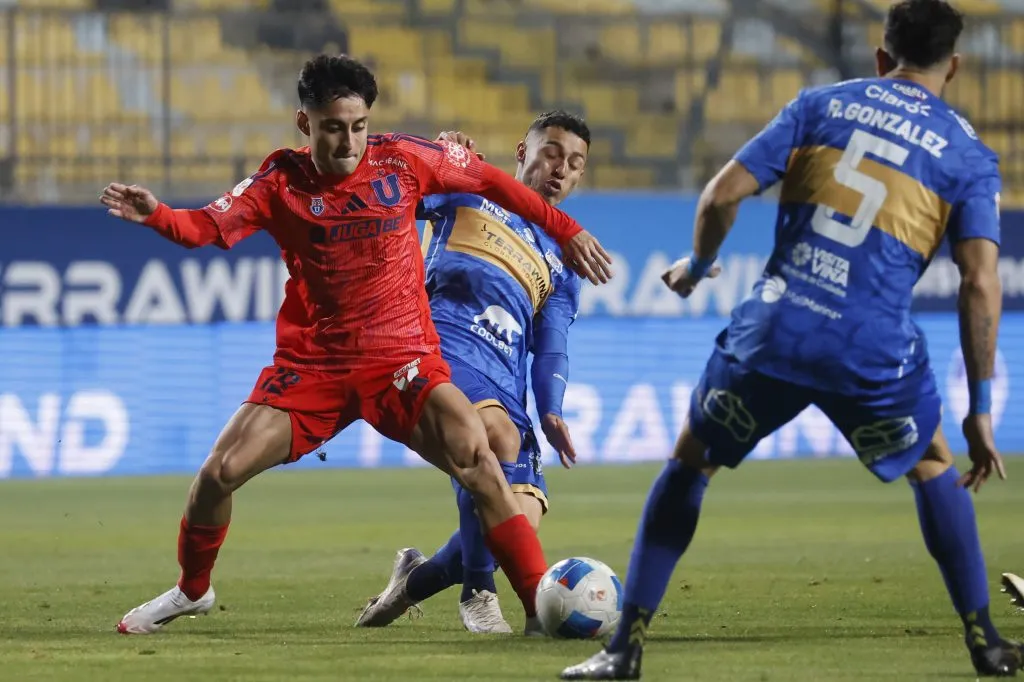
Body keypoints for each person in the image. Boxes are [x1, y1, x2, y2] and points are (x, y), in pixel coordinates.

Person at [561, 1, 1021, 678]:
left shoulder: (821, 105)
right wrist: (981, 406)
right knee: (932, 465)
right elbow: (980, 281)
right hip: (873, 348)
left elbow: (720, 196)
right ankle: (986, 642)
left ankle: (623, 649)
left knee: (691, 462)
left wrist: (694, 267)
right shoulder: (968, 155)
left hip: (778, 328)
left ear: (880, 56)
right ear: (953, 65)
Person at [100, 53, 613, 635]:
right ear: (306, 124)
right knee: (219, 473)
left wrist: (566, 229)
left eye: (358, 126)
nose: (348, 142)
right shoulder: (279, 182)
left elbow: (491, 180)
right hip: (315, 365)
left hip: (402, 359)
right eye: (333, 128)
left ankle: (534, 611)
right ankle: (192, 590)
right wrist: (160, 215)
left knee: (479, 458)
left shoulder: (403, 159)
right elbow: (208, 227)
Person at [355, 111, 589, 635]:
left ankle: (412, 581)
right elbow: (397, 191)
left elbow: (551, 346)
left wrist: (550, 408)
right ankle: (479, 594)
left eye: (575, 164)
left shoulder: (564, 260)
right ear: (522, 151)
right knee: (490, 436)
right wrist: (437, 156)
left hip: (508, 383)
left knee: (512, 523)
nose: (561, 169)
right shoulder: (466, 189)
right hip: (443, 347)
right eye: (551, 152)